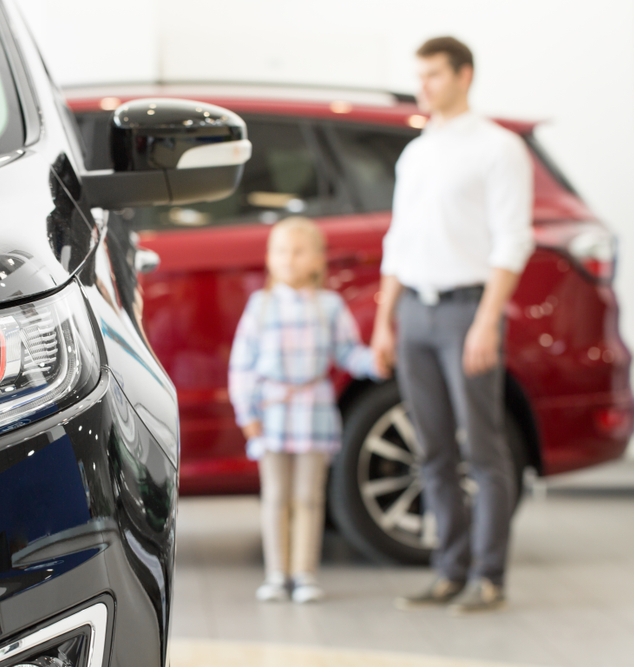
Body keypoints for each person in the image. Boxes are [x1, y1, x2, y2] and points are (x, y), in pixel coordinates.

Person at [370, 36, 534, 614]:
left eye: (434, 74)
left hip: (468, 311)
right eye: (420, 75)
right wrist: (384, 321)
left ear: (464, 75)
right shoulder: (416, 152)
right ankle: (449, 569)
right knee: (432, 451)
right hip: (414, 310)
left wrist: (487, 322)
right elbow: (399, 241)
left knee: (483, 451)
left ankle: (489, 576)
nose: (424, 86)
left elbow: (514, 240)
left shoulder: (498, 148)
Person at [229, 216, 380, 603]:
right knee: (276, 495)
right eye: (281, 251)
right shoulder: (259, 307)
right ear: (269, 259)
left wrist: (375, 362)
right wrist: (248, 417)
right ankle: (277, 574)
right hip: (272, 414)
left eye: (298, 252)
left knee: (309, 497)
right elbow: (241, 367)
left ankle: (305, 573)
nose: (289, 259)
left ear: (317, 260)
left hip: (314, 412)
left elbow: (348, 353)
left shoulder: (329, 307)